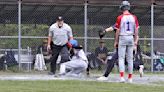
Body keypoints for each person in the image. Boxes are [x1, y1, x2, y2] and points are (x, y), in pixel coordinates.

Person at [114, 0, 139, 83]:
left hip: (123, 37)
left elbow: (117, 31)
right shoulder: (134, 17)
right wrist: (135, 40)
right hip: (130, 37)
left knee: (121, 58)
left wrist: (116, 41)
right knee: (130, 59)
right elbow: (136, 30)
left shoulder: (120, 17)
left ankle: (122, 77)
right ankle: (130, 78)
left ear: (122, 8)